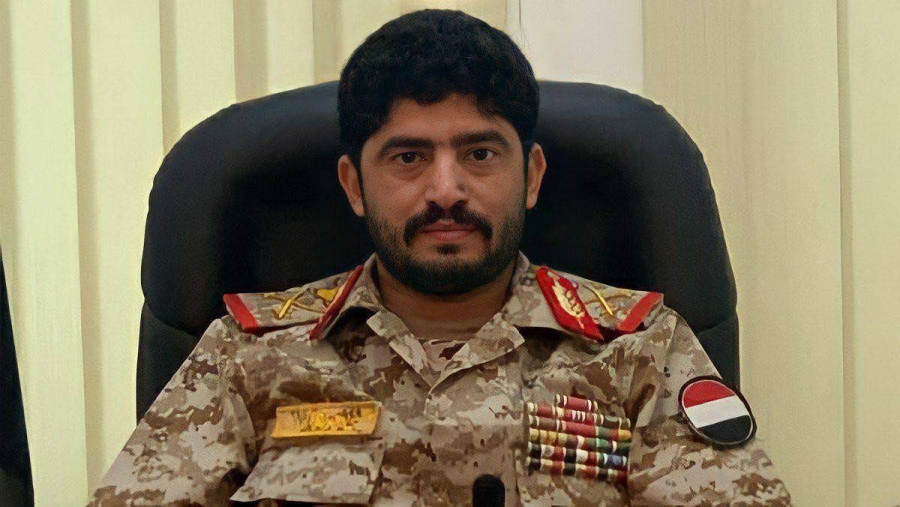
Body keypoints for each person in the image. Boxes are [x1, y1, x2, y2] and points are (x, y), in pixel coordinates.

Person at [88, 9, 791, 506]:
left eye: (479, 153)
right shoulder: (247, 355)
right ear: (354, 186)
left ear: (532, 176)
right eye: (409, 157)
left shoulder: (641, 351)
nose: (446, 190)